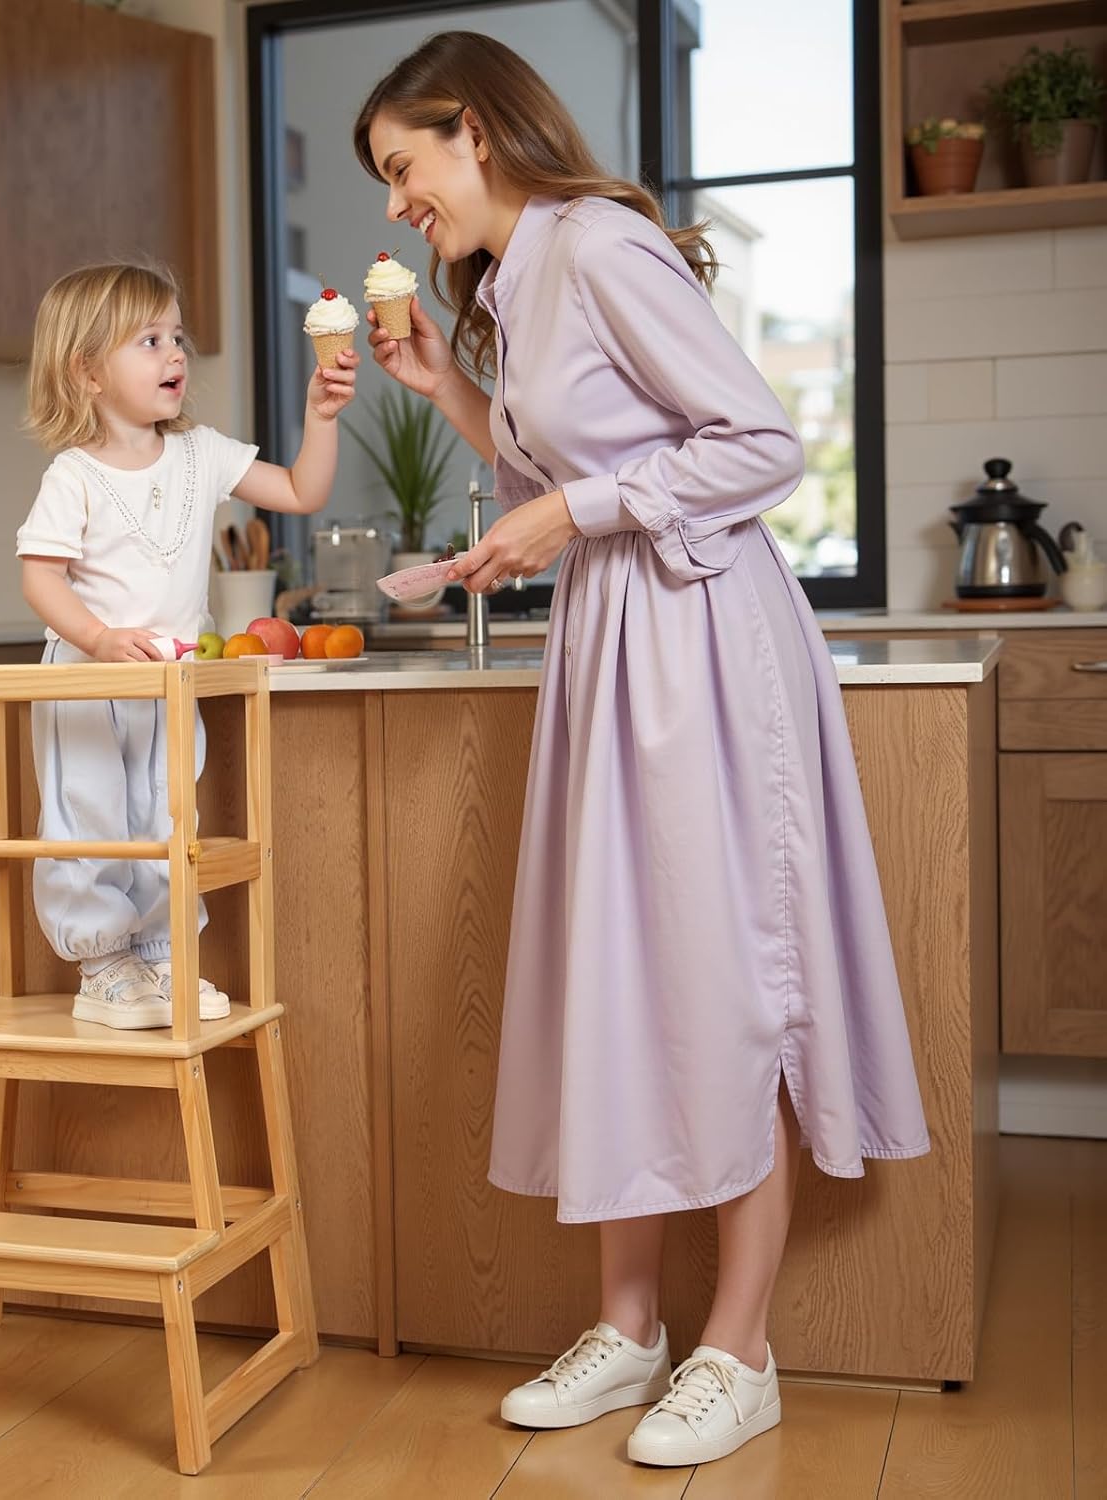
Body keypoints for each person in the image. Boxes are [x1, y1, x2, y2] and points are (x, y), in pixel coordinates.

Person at [354, 32, 929, 1468]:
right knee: (619, 975)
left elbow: (761, 444)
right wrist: (444, 394)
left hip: (704, 645)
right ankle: (631, 1328)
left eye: (401, 166)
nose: (394, 204)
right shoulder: (518, 282)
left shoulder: (599, 244)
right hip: (615, 650)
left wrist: (571, 519)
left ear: (473, 132)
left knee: (721, 978)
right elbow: (566, 472)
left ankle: (742, 1348)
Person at [16, 262, 356, 1029]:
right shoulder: (73, 475)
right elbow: (41, 581)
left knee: (170, 821)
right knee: (90, 817)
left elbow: (302, 492)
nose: (175, 353)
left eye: (177, 336)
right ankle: (104, 966)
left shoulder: (202, 454)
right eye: (149, 340)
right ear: (87, 372)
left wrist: (321, 419)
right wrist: (100, 640)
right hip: (87, 684)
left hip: (171, 683)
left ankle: (165, 958)